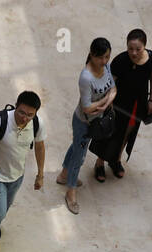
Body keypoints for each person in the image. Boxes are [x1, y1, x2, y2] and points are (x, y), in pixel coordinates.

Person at [56, 37, 116, 215]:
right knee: (79, 157)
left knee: (77, 147)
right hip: (84, 122)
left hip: (96, 120)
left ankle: (63, 175)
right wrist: (105, 102)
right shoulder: (86, 77)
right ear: (91, 54)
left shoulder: (106, 67)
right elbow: (87, 107)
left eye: (107, 57)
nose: (104, 62)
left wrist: (104, 104)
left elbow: (113, 88)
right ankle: (71, 190)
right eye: (100, 58)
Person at [0, 92, 46, 240]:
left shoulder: (37, 124)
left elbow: (40, 147)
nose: (24, 118)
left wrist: (40, 175)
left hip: (17, 176)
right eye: (21, 112)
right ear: (16, 106)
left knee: (3, 211)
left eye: (30, 115)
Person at [90, 29, 152, 181]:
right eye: (130, 48)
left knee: (128, 133)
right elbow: (110, 85)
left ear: (145, 46)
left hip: (138, 105)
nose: (133, 53)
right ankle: (100, 162)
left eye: (138, 49)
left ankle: (116, 159)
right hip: (119, 104)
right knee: (110, 132)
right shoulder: (120, 61)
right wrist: (107, 103)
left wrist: (151, 99)